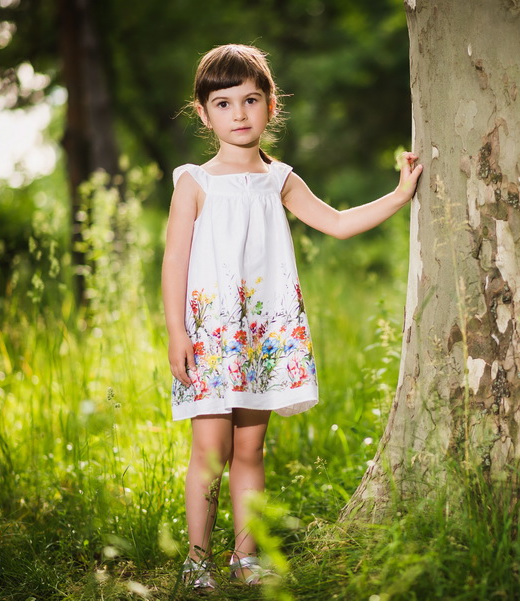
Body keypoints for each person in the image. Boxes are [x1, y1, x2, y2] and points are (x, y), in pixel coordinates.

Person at [161, 43, 422, 589]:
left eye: (250, 100)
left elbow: (338, 222)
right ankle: (196, 560)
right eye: (225, 103)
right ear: (204, 113)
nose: (239, 114)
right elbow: (175, 262)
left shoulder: (279, 179)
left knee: (251, 450)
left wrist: (399, 195)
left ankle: (245, 558)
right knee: (211, 451)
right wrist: (176, 332)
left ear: (270, 105)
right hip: (210, 336)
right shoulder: (194, 182)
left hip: (261, 337)